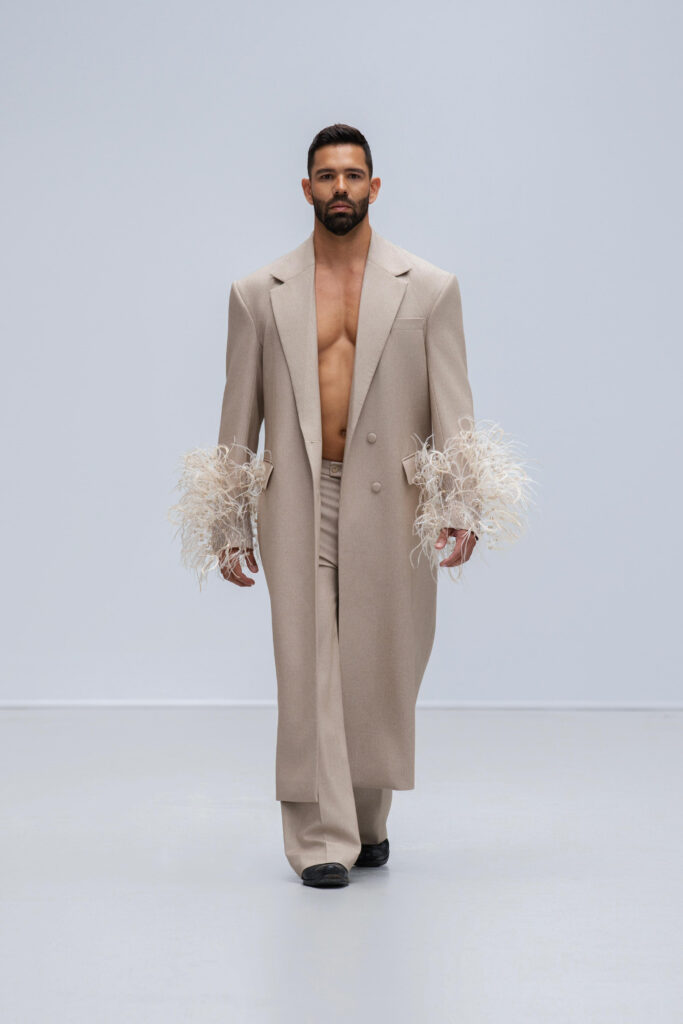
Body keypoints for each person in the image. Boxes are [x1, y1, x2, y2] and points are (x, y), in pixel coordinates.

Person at [168, 123, 532, 888]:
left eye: (353, 175)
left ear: (374, 186)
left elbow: (454, 407)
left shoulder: (427, 288)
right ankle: (318, 840)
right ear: (306, 189)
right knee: (309, 666)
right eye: (327, 176)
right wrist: (228, 523)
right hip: (297, 497)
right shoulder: (257, 294)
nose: (340, 188)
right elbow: (237, 421)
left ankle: (365, 819)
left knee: (380, 664)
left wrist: (462, 504)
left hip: (394, 500)